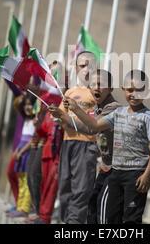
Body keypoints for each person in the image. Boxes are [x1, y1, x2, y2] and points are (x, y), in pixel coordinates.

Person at [50, 69, 150, 224]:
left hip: (132, 173)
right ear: (123, 89)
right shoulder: (112, 111)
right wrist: (67, 113)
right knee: (101, 208)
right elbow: (94, 126)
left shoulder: (136, 114)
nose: (134, 94)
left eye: (139, 90)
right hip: (113, 170)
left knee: (127, 216)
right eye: (130, 90)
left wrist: (147, 175)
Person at [52, 69, 120, 223]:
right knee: (83, 196)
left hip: (119, 167)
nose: (96, 87)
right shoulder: (98, 106)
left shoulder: (113, 108)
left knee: (88, 195)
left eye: (101, 84)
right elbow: (89, 127)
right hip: (105, 164)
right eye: (93, 84)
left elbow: (94, 127)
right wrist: (62, 115)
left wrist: (74, 109)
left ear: (110, 88)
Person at [55, 51, 98, 224]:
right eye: (82, 65)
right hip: (68, 143)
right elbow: (60, 119)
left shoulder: (96, 93)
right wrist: (57, 115)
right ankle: (65, 221)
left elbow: (97, 124)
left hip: (87, 145)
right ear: (76, 67)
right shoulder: (70, 92)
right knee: (64, 187)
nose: (86, 69)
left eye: (90, 65)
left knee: (81, 190)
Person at [8, 94, 37, 218]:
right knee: (21, 180)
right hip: (21, 153)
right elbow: (23, 139)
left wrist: (21, 151)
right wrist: (17, 151)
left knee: (27, 182)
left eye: (30, 104)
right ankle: (19, 206)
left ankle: (25, 208)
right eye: (25, 105)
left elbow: (31, 141)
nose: (27, 107)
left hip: (28, 154)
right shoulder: (26, 120)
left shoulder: (35, 121)